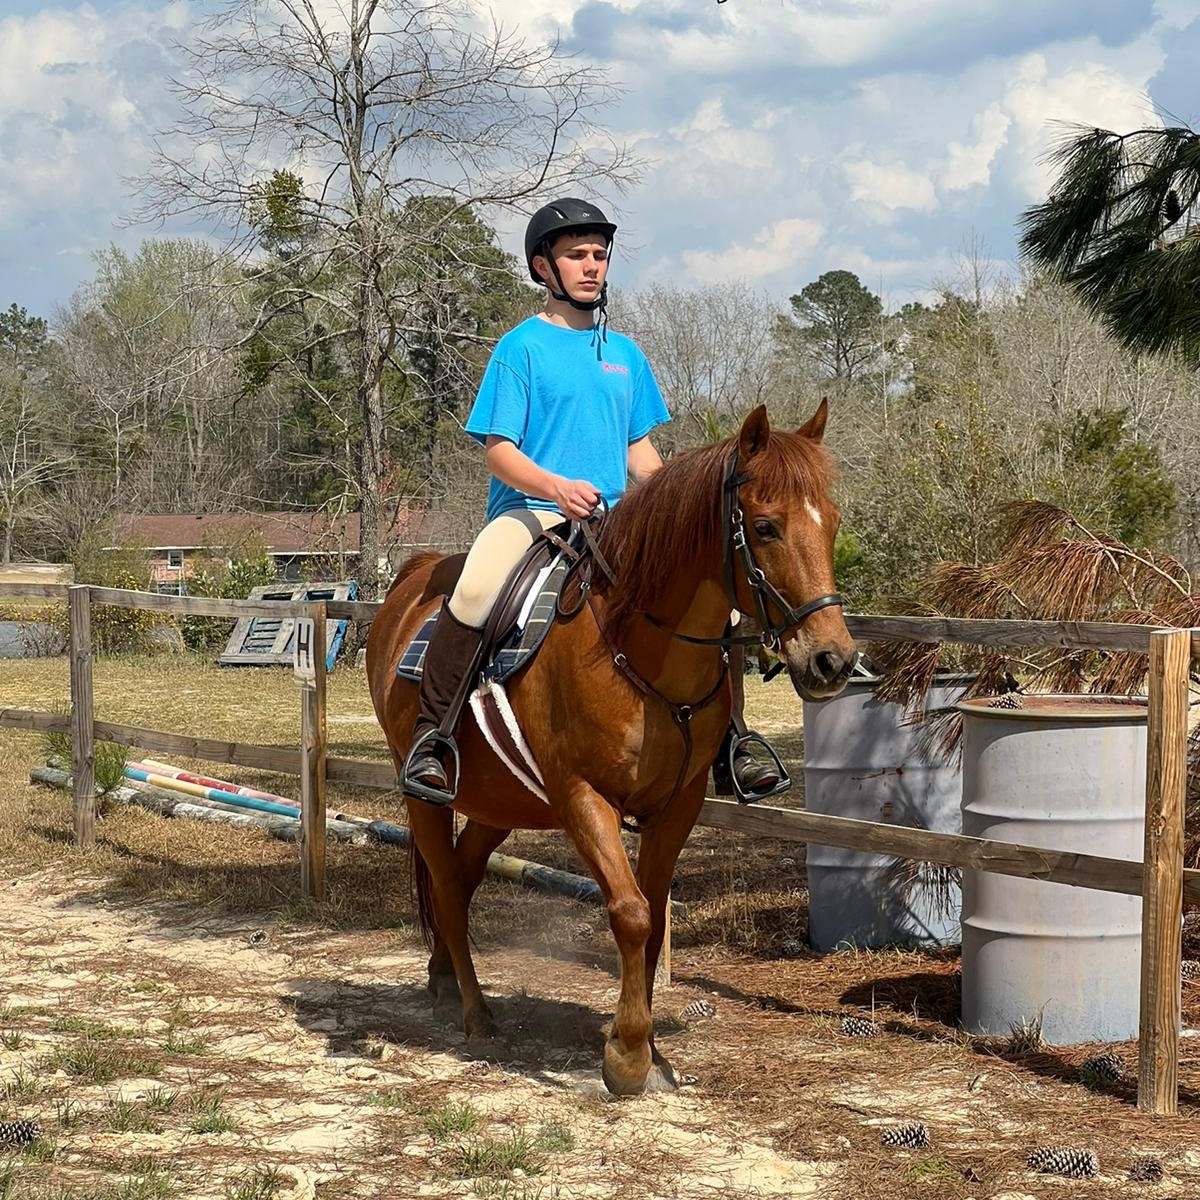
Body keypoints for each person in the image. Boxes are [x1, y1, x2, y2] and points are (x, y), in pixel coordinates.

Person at [402, 197, 782, 805]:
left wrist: (673, 508)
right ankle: (435, 738)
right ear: (542, 268)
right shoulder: (520, 348)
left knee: (718, 603)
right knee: (475, 587)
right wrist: (555, 486)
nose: (591, 266)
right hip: (532, 513)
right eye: (576, 255)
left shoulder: (626, 355)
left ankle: (731, 741)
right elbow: (497, 451)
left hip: (615, 520)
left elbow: (640, 453)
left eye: (599, 256)